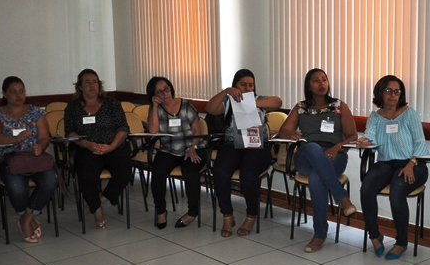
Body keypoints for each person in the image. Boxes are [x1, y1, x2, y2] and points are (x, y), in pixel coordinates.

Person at [278, 68, 358, 252]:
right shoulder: (301, 107)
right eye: (316, 80)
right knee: (313, 147)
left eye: (324, 79)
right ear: (309, 85)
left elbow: (352, 136)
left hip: (335, 156)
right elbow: (284, 131)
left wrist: (337, 147)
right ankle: (342, 197)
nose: (322, 83)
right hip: (306, 154)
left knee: (316, 178)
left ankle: (319, 234)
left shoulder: (339, 106)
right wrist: (293, 134)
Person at [357, 75, 430, 260]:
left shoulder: (409, 113)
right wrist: (364, 141)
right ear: (380, 92)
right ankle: (374, 235)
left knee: (397, 191)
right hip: (386, 163)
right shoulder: (375, 116)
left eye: (397, 91)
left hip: (414, 163)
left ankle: (401, 242)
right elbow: (371, 135)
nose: (393, 95)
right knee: (366, 188)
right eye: (389, 90)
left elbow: (421, 143)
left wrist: (410, 164)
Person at [206, 69, 282, 237]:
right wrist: (226, 92)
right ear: (235, 86)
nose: (247, 88)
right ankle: (227, 215)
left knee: (248, 175)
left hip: (256, 148)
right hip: (232, 146)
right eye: (243, 85)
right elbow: (210, 109)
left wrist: (251, 103)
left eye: (251, 85)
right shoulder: (229, 101)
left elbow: (278, 102)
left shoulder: (259, 100)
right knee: (220, 172)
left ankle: (251, 215)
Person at [0, 76, 57, 243]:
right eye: (13, 92)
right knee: (17, 187)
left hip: (35, 158)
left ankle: (25, 220)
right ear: (4, 94)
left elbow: (45, 137)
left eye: (22, 91)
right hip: (11, 160)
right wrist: (14, 139)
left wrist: (41, 146)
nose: (18, 95)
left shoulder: (36, 112)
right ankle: (29, 218)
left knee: (50, 181)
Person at [64, 69, 132, 229]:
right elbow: (70, 132)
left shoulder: (111, 103)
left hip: (113, 146)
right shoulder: (73, 107)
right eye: (87, 82)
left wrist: (112, 146)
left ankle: (100, 199)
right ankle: (97, 212)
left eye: (95, 81)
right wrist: (87, 144)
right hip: (87, 149)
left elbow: (123, 127)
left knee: (124, 173)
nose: (92, 85)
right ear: (80, 87)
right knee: (86, 177)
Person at [146, 76, 207, 229]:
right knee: (158, 172)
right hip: (169, 149)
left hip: (193, 147)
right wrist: (154, 107)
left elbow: (197, 131)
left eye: (166, 88)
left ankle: (193, 212)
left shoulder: (186, 105)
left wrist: (192, 148)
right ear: (154, 95)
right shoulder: (156, 109)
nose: (165, 93)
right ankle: (161, 210)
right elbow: (153, 132)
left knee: (190, 172)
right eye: (159, 92)